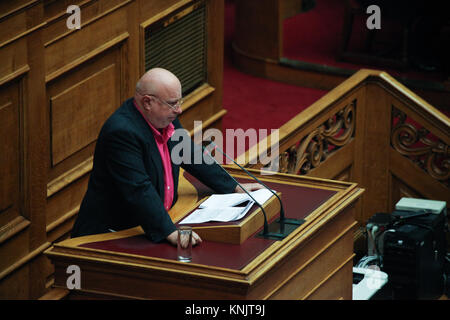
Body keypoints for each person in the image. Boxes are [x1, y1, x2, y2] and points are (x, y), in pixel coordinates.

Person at [71, 68, 261, 246]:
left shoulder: (163, 116)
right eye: (172, 103)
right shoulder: (122, 133)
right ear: (147, 102)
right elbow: (138, 189)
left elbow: (188, 153)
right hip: (111, 235)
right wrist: (168, 231)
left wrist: (233, 186)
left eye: (179, 101)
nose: (179, 110)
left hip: (147, 225)